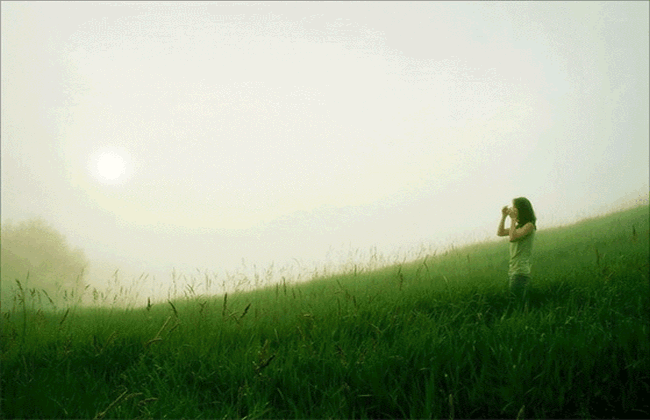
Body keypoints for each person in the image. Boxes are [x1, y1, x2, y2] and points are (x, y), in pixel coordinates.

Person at [497, 197, 537, 300]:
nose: (512, 209)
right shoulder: (519, 227)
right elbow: (500, 232)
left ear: (521, 209)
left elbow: (512, 238)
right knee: (516, 301)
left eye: (514, 207)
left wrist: (513, 219)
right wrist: (504, 216)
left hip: (520, 271)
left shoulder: (529, 226)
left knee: (516, 302)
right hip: (514, 269)